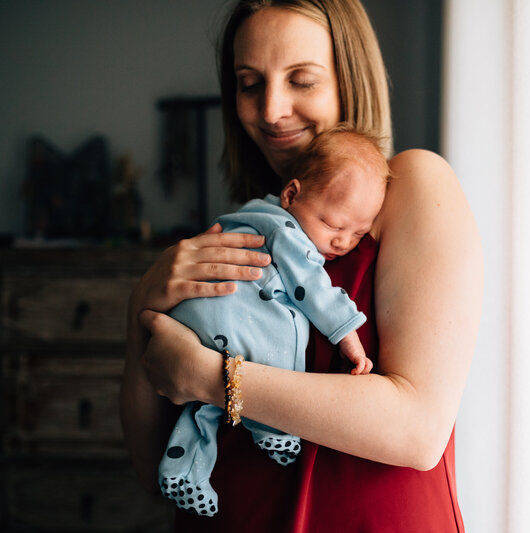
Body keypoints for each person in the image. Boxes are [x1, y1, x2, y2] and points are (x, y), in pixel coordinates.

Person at [120, 1, 482, 531]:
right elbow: (150, 470)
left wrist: (211, 377)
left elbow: (417, 430)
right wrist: (141, 309)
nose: (270, 109)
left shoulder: (413, 186)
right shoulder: (234, 233)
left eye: (302, 80)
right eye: (249, 84)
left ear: (347, 79)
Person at [158, 127, 389, 517]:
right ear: (292, 195)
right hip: (231, 311)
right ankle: (273, 430)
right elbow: (309, 285)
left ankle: (182, 472)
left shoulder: (252, 213)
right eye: (333, 226)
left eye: (358, 234)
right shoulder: (282, 227)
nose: (343, 243)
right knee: (283, 332)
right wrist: (346, 334)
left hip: (197, 318)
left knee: (207, 403)